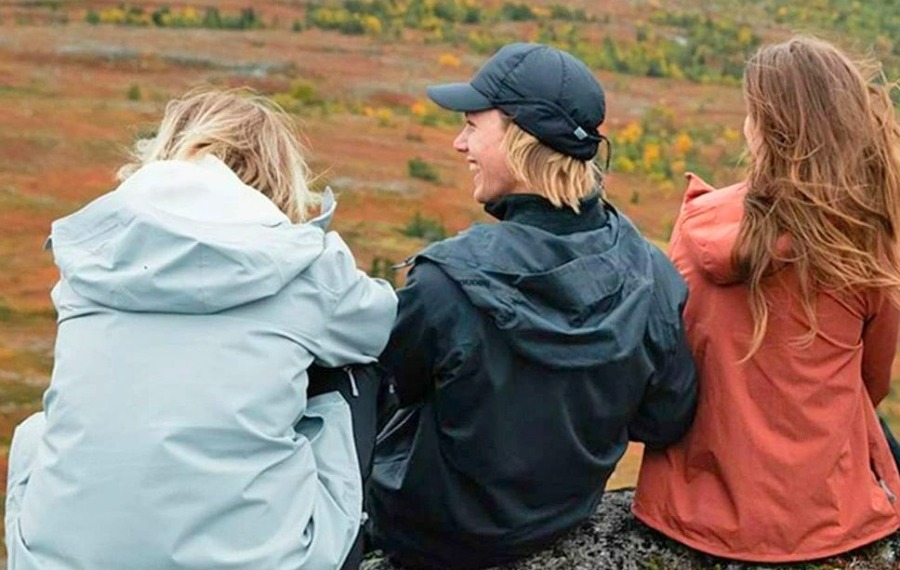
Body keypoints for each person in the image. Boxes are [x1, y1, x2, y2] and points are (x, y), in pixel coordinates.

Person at [4, 89, 397, 570]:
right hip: (257, 561)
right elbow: (382, 324)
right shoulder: (306, 264)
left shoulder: (89, 256)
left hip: (54, 559)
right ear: (277, 173)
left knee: (39, 429)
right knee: (352, 371)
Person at [366, 42, 698, 570]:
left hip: (427, 535)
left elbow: (386, 391)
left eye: (472, 126)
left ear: (520, 138)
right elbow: (665, 420)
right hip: (561, 523)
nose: (459, 143)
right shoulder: (652, 274)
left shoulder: (445, 282)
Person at [633, 36, 900, 563]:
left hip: (697, 510)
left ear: (763, 130)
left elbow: (675, 367)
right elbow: (872, 382)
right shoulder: (867, 239)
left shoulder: (699, 224)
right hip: (827, 516)